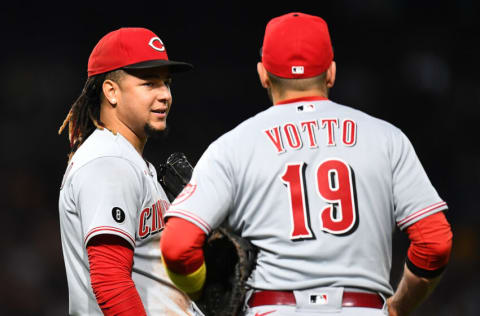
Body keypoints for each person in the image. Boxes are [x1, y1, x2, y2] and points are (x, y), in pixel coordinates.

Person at [160, 12, 453, 316]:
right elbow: (434, 243)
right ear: (331, 73)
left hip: (273, 309)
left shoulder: (233, 146)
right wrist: (398, 306)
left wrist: (203, 290)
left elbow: (177, 247)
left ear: (263, 74)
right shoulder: (387, 138)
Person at [58, 27, 203, 315]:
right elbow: (111, 280)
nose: (165, 95)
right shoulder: (108, 162)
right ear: (112, 91)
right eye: (149, 84)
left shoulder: (129, 161)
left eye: (167, 83)